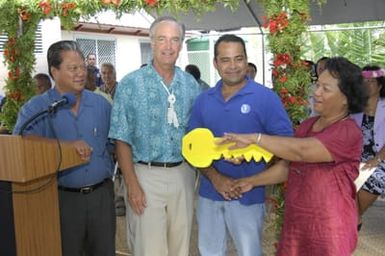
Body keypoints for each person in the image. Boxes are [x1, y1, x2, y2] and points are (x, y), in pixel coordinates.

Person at [221, 57, 369, 256]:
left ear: (346, 98)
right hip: (298, 224)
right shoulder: (309, 125)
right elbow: (288, 167)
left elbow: (302, 151)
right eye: (317, 85)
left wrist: (255, 138)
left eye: (325, 89)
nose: (316, 93)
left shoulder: (347, 131)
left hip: (330, 228)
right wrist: (251, 181)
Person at [187, 34, 293, 256]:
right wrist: (216, 179)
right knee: (209, 252)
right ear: (215, 63)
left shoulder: (266, 98)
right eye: (225, 60)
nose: (233, 66)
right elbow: (192, 149)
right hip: (210, 193)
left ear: (246, 60)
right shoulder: (203, 100)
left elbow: (287, 147)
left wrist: (251, 151)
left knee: (249, 252)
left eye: (239, 58)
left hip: (249, 196)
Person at [13, 40, 115, 256]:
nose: (80, 74)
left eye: (83, 68)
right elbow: (20, 145)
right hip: (61, 200)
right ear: (54, 71)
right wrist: (64, 148)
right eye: (72, 68)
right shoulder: (37, 108)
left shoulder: (101, 105)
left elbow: (113, 144)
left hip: (101, 197)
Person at [108, 16, 200, 256]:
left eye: (175, 40)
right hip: (144, 174)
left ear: (180, 45)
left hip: (184, 173)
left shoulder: (191, 85)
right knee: (149, 248)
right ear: (152, 42)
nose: (168, 46)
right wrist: (132, 184)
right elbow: (121, 138)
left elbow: (199, 132)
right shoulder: (130, 84)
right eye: (162, 39)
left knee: (181, 245)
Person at [352, 65, 385, 231]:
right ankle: (352, 222)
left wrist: (377, 159)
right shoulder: (354, 108)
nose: (367, 84)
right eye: (364, 81)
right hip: (355, 159)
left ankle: (353, 221)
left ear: (380, 85)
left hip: (380, 159)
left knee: (376, 178)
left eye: (371, 81)